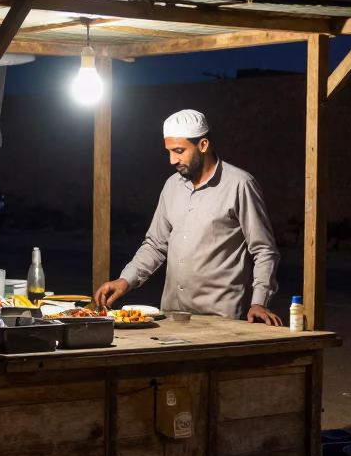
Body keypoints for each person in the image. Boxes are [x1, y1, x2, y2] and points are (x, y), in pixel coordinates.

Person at [94, 109, 283, 325]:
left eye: (179, 151)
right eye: (169, 152)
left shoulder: (240, 185)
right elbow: (155, 245)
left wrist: (260, 301)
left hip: (221, 320)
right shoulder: (171, 186)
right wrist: (124, 281)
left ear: (203, 145)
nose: (172, 160)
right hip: (171, 317)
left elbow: (264, 250)